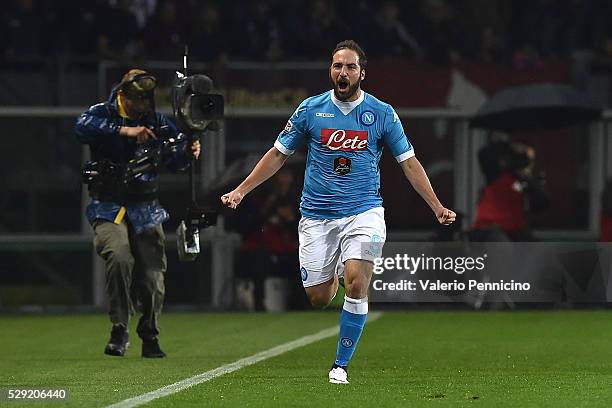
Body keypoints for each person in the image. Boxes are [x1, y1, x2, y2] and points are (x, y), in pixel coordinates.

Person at [221, 40, 455, 383]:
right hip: (316, 216)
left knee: (358, 281)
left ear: (362, 73)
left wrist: (436, 205)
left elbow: (409, 163)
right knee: (318, 297)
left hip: (366, 212)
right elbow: (277, 154)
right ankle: (336, 276)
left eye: (349, 67)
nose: (342, 72)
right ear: (331, 71)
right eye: (336, 66)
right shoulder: (310, 110)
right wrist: (241, 190)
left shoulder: (382, 113)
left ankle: (340, 365)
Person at [75, 69, 201, 358]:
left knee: (153, 278)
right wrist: (125, 130)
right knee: (119, 257)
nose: (142, 106)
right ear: (123, 95)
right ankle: (120, 327)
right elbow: (82, 126)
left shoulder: (155, 122)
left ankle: (150, 333)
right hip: (109, 205)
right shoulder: (103, 113)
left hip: (145, 207)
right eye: (137, 100)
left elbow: (174, 158)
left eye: (146, 100)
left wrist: (188, 150)